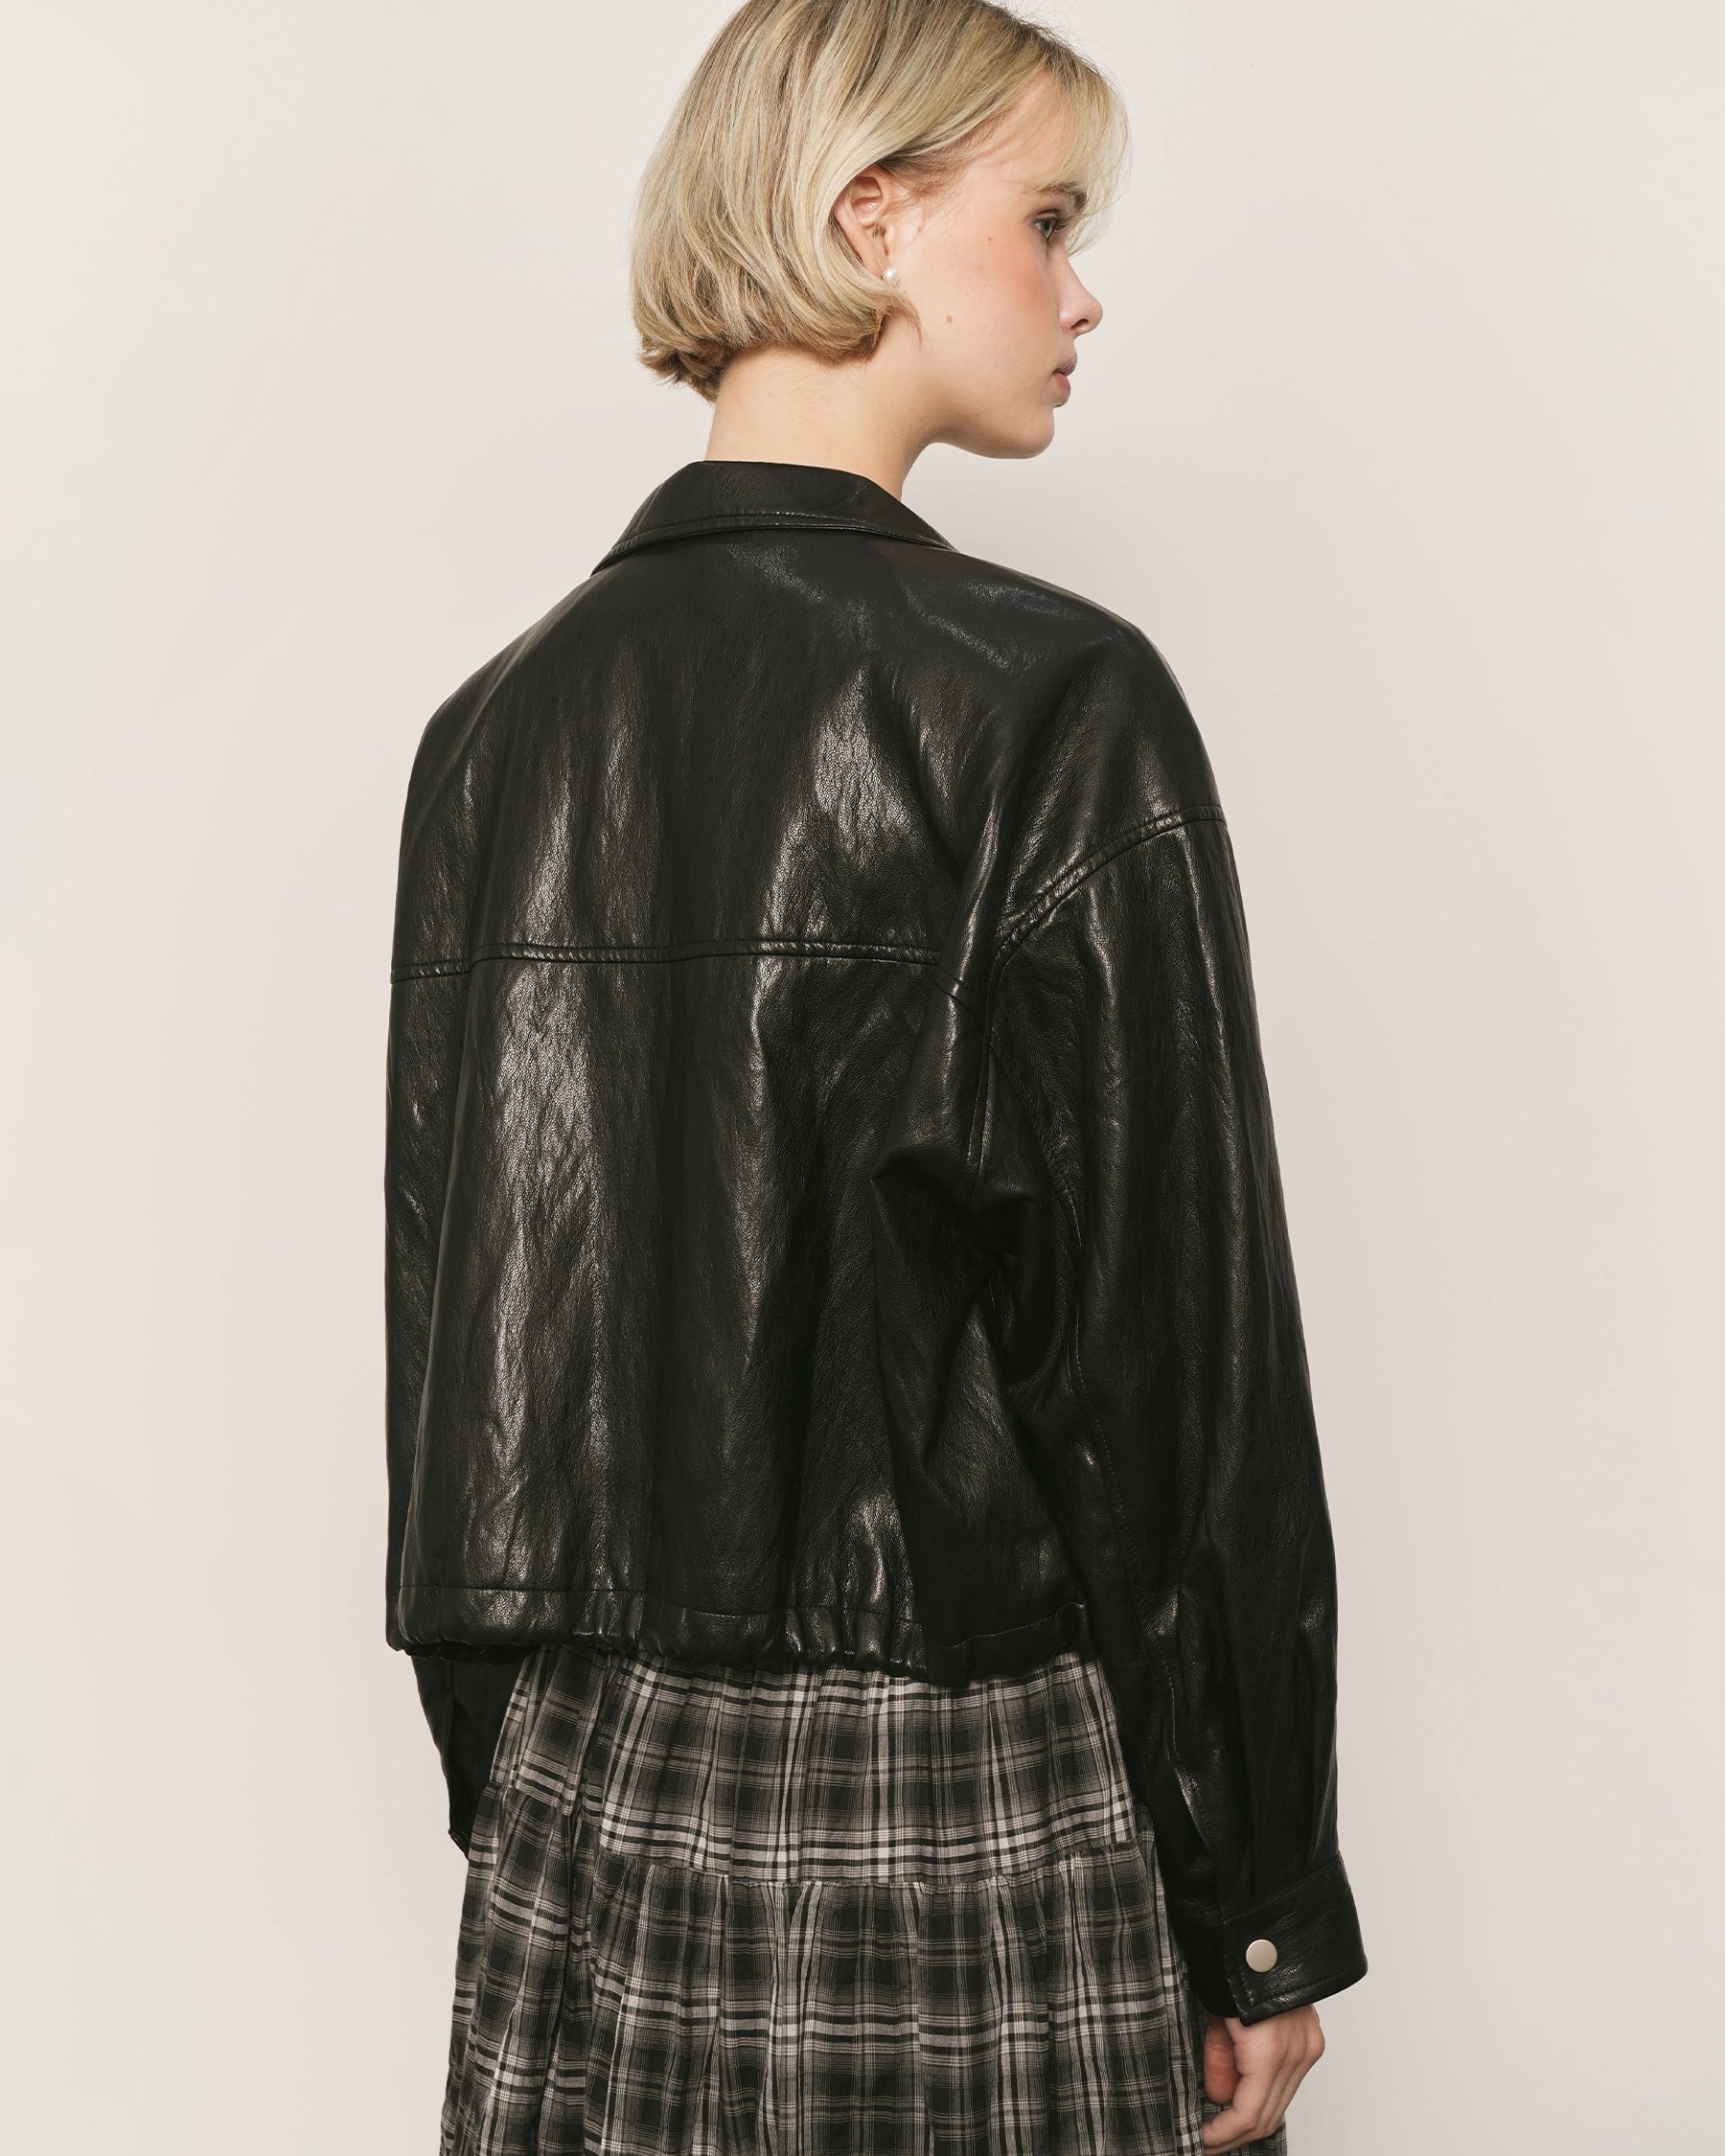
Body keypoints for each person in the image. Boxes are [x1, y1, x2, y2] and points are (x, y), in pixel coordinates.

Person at [383, 3, 1368, 2149]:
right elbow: (1174, 1353)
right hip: (958, 1785)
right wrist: (1259, 1903)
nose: (1082, 292)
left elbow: (459, 1331)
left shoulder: (493, 732)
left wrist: (515, 1778)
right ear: (868, 217)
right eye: (1050, 220)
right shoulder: (1056, 703)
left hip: (584, 1786)